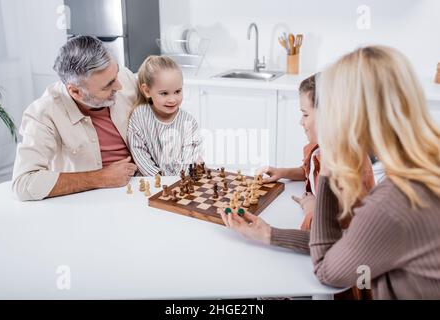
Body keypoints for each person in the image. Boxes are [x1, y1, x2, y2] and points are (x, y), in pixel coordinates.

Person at [221, 46, 440, 299]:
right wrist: (270, 234)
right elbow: (355, 246)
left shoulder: (395, 202)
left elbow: (328, 271)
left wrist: (329, 167)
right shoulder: (424, 168)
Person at [12, 36, 138, 201]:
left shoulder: (124, 77)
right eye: (108, 85)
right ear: (76, 92)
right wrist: (100, 178)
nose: (119, 86)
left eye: (116, 75)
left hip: (140, 185)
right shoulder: (43, 114)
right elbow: (23, 183)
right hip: (88, 200)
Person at [257, 74, 375, 230]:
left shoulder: (345, 167)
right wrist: (283, 172)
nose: (301, 122)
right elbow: (310, 172)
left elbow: (326, 232)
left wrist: (311, 209)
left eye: (305, 114)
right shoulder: (319, 148)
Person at [128, 55, 203, 176]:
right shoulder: (139, 115)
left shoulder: (188, 121)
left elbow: (190, 154)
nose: (172, 99)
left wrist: (180, 178)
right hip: (151, 181)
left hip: (180, 180)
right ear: (147, 91)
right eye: (164, 93)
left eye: (177, 91)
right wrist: (157, 176)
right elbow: (138, 151)